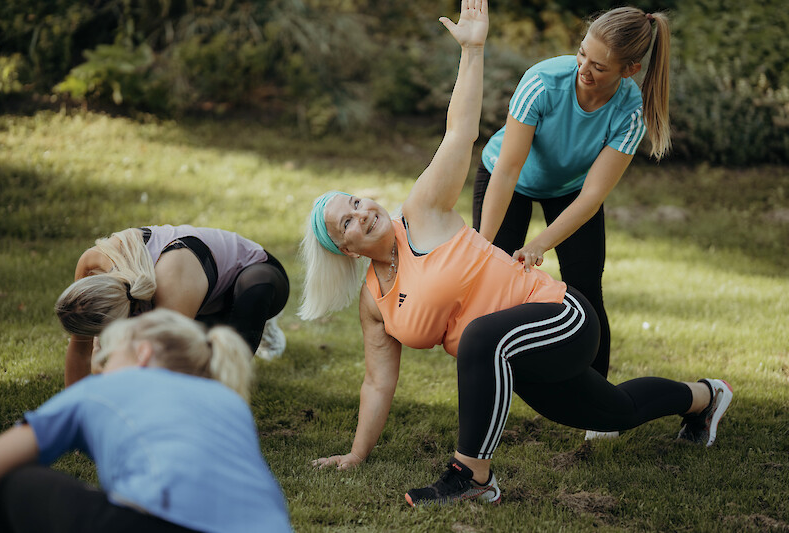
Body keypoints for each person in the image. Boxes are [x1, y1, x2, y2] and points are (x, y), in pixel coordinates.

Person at [299, 0, 732, 507]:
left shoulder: (422, 212)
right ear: (346, 250)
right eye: (346, 222)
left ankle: (472, 477)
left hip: (562, 317)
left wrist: (472, 51)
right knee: (614, 411)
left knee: (482, 335)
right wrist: (356, 454)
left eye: (355, 202)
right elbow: (377, 382)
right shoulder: (375, 302)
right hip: (519, 354)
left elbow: (459, 131)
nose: (361, 213)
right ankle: (706, 397)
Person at [472, 7, 672, 404]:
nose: (584, 68)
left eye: (599, 66)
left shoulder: (630, 111)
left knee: (586, 291)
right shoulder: (542, 82)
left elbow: (592, 196)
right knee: (494, 284)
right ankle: (492, 393)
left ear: (629, 70)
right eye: (582, 53)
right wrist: (483, 246)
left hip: (570, 190)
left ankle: (600, 406)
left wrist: (539, 244)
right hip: (506, 178)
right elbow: (509, 170)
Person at [0, 309, 293, 532]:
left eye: (109, 357)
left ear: (143, 353)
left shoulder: (104, 388)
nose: (102, 369)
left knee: (23, 486)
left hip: (162, 524)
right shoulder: (228, 401)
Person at [56, 224, 290, 386]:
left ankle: (260, 326)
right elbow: (80, 349)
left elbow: (168, 374)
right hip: (199, 294)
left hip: (257, 276)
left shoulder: (171, 289)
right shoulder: (91, 265)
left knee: (216, 369)